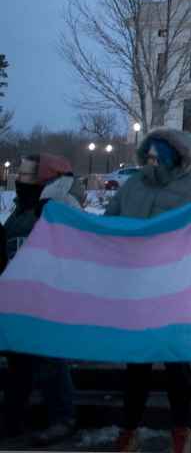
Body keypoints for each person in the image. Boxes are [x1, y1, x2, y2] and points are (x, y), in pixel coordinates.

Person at [105, 128, 191, 453]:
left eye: (160, 153)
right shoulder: (134, 185)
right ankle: (129, 429)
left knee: (177, 367)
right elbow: (109, 222)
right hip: (136, 286)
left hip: (175, 289)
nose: (153, 159)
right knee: (136, 366)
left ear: (176, 155)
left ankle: (181, 429)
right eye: (150, 153)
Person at [2, 153, 82, 447]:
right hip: (17, 297)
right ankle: (12, 419)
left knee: (50, 359)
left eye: (27, 175)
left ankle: (64, 418)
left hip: (48, 294)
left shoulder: (60, 205)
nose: (20, 179)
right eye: (19, 174)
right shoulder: (20, 209)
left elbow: (77, 240)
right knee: (19, 362)